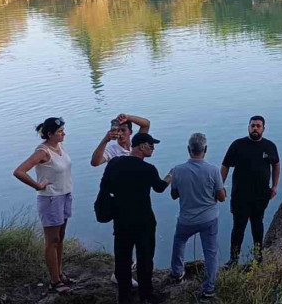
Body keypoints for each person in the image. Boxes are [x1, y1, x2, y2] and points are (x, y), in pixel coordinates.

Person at [100, 133, 172, 304]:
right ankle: (146, 294)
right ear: (141, 146)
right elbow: (160, 188)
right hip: (144, 221)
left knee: (122, 259)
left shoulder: (114, 164)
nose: (153, 148)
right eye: (151, 145)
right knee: (145, 259)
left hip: (121, 219)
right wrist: (170, 176)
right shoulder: (148, 169)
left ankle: (124, 296)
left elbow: (105, 186)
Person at [13, 117, 74, 294]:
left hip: (65, 195)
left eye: (63, 130)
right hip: (50, 199)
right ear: (49, 134)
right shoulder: (42, 152)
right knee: (52, 240)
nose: (64, 133)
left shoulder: (59, 146)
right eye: (60, 132)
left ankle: (60, 273)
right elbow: (19, 171)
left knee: (60, 238)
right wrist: (37, 185)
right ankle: (54, 281)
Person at [91, 113, 150, 287]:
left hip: (138, 197)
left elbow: (146, 123)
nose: (120, 134)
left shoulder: (138, 144)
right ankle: (119, 274)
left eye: (123, 130)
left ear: (131, 132)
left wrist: (127, 116)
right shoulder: (112, 150)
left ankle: (128, 269)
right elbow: (94, 162)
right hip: (120, 201)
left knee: (138, 236)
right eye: (117, 131)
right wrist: (105, 139)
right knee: (123, 237)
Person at [169, 133, 226, 299]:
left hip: (186, 219)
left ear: (189, 149)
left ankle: (177, 273)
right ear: (205, 149)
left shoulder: (178, 170)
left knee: (179, 241)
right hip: (209, 219)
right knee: (211, 252)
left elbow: (174, 195)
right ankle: (209, 288)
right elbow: (221, 198)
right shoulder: (214, 170)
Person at [221, 116, 280, 266]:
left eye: (258, 126)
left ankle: (258, 256)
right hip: (240, 195)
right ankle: (233, 259)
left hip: (261, 195)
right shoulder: (238, 145)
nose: (255, 128)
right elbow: (225, 165)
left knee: (257, 225)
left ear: (263, 129)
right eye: (253, 125)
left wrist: (274, 186)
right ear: (248, 127)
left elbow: (276, 165)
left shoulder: (269, 146)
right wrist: (220, 186)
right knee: (238, 227)